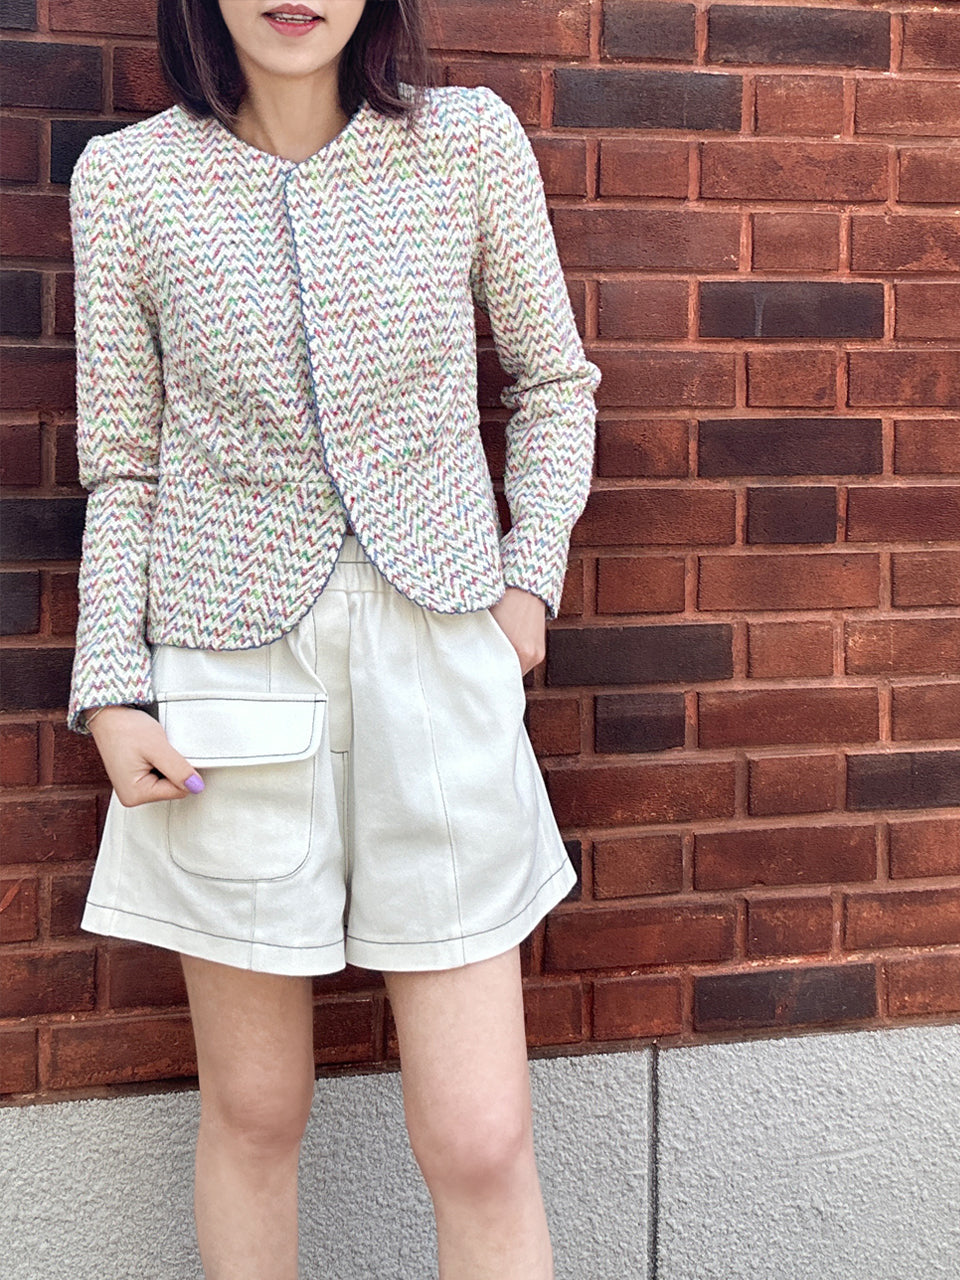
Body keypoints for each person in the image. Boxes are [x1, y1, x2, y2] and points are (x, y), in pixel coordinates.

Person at [67, 1, 601, 1276]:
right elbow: (124, 463)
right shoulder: (128, 181)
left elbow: (555, 383)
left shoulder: (468, 143)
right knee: (256, 1112)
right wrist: (111, 686)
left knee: (480, 1134)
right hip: (227, 679)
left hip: (441, 661)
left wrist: (527, 587)